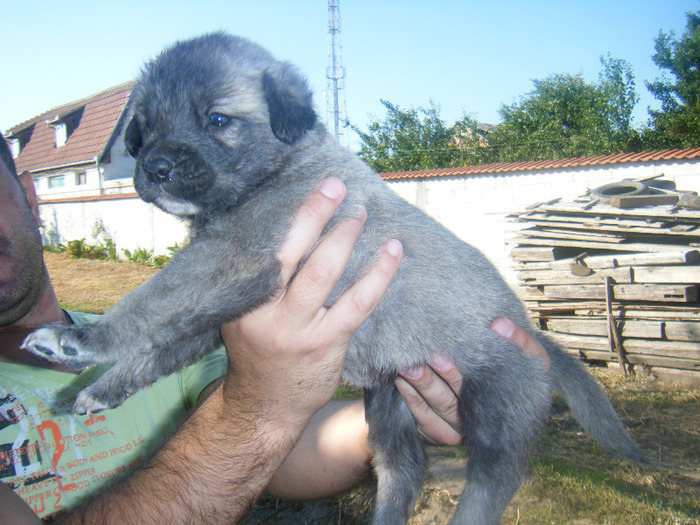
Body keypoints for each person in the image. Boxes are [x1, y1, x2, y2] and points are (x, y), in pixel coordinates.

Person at [0, 131, 549, 523]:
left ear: (29, 196)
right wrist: (260, 404)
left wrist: (408, 409)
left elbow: (271, 456)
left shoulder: (144, 341)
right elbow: (252, 418)